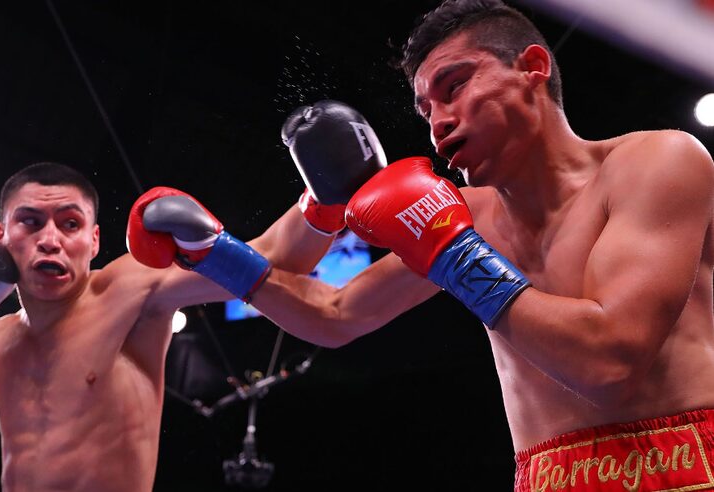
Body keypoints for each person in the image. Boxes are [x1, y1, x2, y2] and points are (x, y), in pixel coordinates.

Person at [133, 1, 714, 490]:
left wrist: (452, 253)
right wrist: (216, 251)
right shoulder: (470, 216)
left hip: (685, 466)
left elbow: (609, 362)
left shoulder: (655, 162)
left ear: (533, 67)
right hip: (545, 476)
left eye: (455, 86)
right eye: (425, 108)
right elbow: (335, 314)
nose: (437, 120)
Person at [0, 157, 364, 491]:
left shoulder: (129, 288)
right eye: (30, 222)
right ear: (1, 236)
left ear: (94, 241)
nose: (50, 239)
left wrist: (325, 195)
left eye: (69, 224)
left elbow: (277, 256)